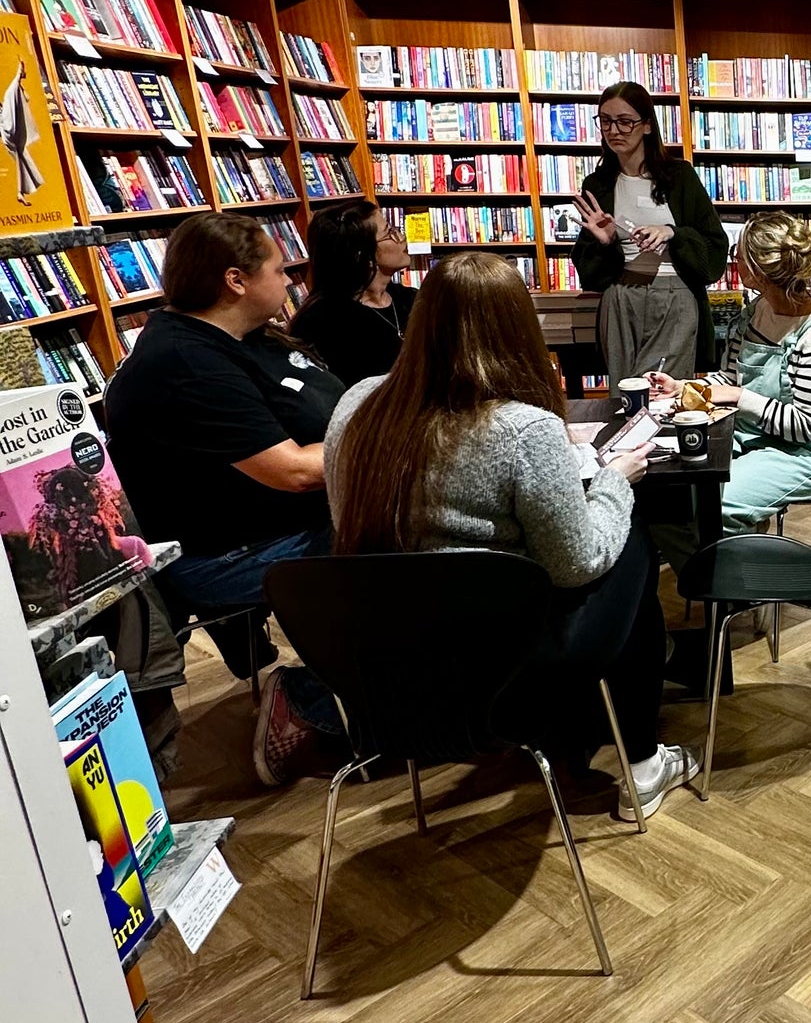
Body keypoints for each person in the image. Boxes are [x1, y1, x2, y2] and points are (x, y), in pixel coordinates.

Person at [324, 251, 695, 816]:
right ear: (517, 326)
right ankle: (643, 762)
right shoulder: (523, 428)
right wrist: (616, 481)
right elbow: (579, 561)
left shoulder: (355, 404)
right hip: (506, 665)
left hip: (386, 663)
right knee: (630, 542)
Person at [102, 210, 350, 787]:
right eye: (279, 269)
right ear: (235, 281)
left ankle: (386, 692)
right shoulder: (186, 362)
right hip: (226, 557)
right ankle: (313, 701)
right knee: (406, 548)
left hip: (274, 528)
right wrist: (389, 445)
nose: (290, 280)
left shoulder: (242, 337)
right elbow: (291, 471)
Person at [660, 210, 811, 536]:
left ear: (756, 269)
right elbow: (730, 378)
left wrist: (740, 398)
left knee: (709, 506)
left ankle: (735, 577)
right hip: (750, 437)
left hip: (805, 456)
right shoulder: (756, 311)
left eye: (736, 254)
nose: (733, 261)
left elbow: (804, 427)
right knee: (666, 490)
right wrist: (684, 387)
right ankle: (725, 565)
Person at [571, 82, 727, 385]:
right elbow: (590, 274)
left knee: (663, 394)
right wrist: (605, 243)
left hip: (674, 294)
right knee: (624, 390)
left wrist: (672, 232)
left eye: (625, 121)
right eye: (605, 121)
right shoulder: (598, 183)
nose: (614, 130)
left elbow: (715, 248)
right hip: (620, 296)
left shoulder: (679, 177)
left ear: (646, 126)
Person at [292, 199, 416, 387]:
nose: (401, 236)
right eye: (389, 232)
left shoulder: (412, 299)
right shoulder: (322, 322)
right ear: (362, 255)